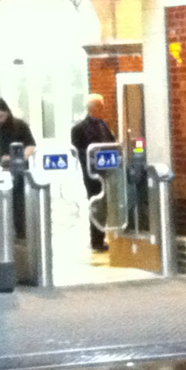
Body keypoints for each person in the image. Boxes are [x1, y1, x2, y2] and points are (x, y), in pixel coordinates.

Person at [71, 94, 115, 252]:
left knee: (104, 204)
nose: (103, 109)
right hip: (92, 174)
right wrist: (95, 156)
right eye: (100, 106)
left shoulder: (104, 124)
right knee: (96, 204)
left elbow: (111, 142)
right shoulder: (78, 129)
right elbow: (78, 152)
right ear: (92, 108)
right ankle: (96, 240)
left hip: (107, 171)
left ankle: (102, 237)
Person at [0, 98, 35, 238]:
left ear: (7, 112)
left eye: (1, 116)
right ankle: (4, 232)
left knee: (19, 201)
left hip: (18, 171)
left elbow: (31, 145)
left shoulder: (20, 125)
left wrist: (18, 159)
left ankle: (20, 231)